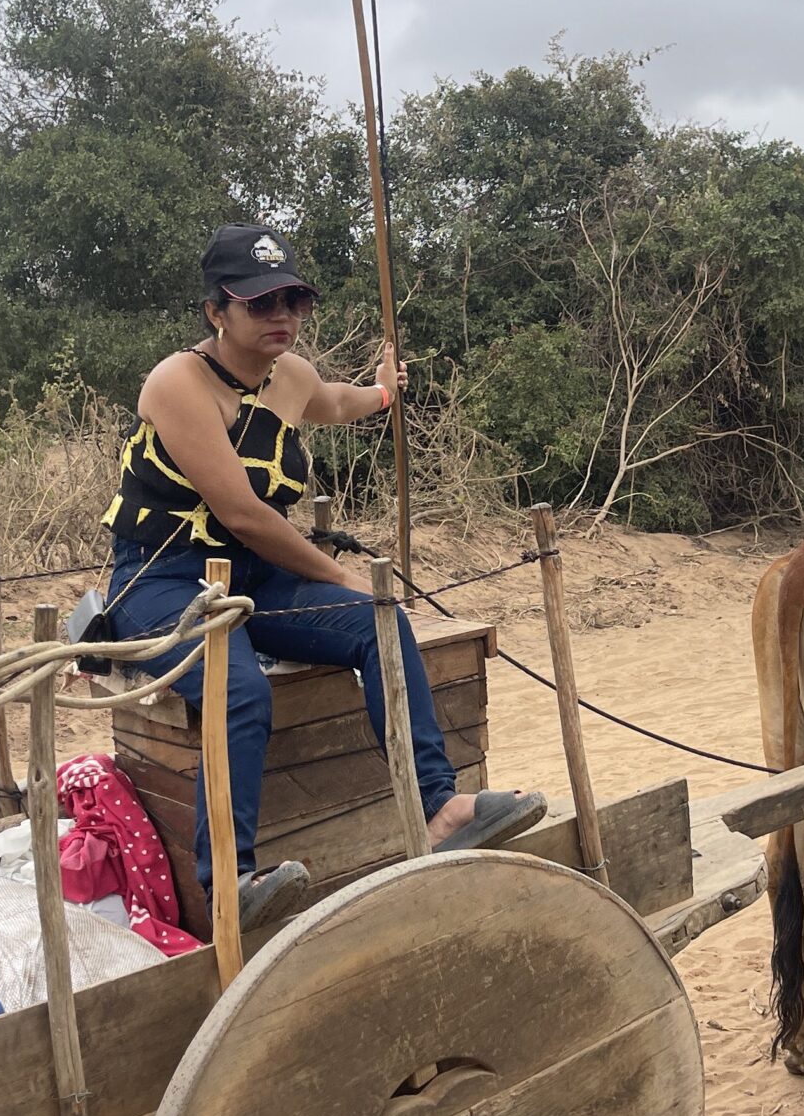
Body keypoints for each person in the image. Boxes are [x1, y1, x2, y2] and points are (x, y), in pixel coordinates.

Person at [100, 223, 547, 931]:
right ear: (217, 311)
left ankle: (441, 807)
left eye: (293, 301)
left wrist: (384, 392)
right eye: (261, 303)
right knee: (237, 684)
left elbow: (338, 403)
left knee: (381, 624)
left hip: (255, 576)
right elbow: (242, 512)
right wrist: (343, 575)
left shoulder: (292, 376)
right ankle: (230, 884)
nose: (282, 317)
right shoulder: (178, 383)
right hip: (165, 578)